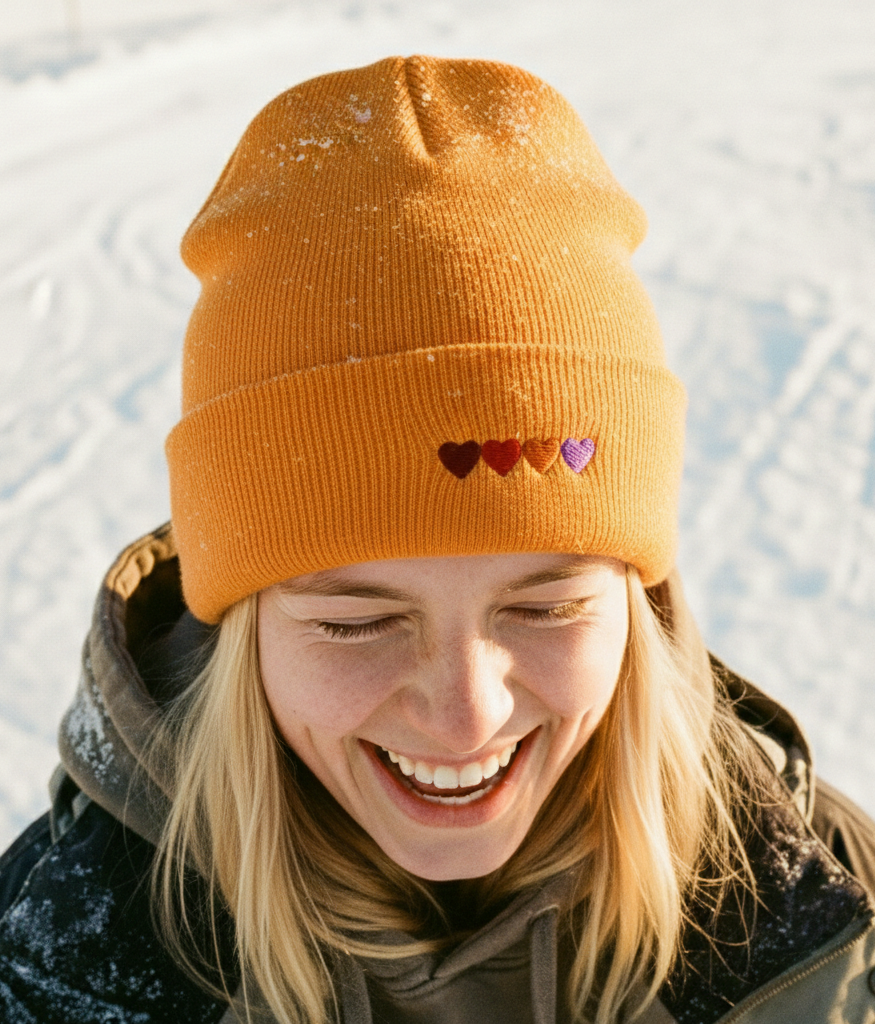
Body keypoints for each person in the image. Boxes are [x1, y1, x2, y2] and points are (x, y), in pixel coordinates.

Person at [1, 54, 874, 1024]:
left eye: (544, 606)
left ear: (635, 602)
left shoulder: (818, 908)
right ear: (245, 629)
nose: (464, 717)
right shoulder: (64, 965)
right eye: (356, 621)